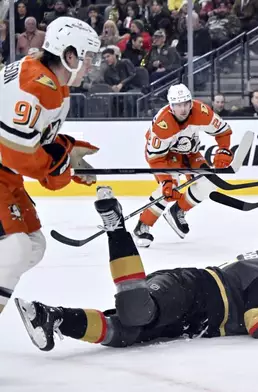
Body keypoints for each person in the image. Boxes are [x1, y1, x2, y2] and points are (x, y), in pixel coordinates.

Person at [15, 187, 258, 351]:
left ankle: (51, 317)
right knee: (136, 313)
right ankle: (117, 230)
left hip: (188, 307)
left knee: (122, 332)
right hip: (190, 294)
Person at [0, 17, 101, 316]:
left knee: (33, 245)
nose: (90, 65)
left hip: (6, 176)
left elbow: (36, 141)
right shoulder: (34, 86)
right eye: (88, 58)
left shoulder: (53, 83)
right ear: (70, 55)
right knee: (16, 248)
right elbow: (17, 154)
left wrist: (68, 149)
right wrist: (60, 170)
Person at [133, 83, 234, 247]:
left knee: (209, 182)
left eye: (186, 103)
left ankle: (178, 211)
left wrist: (223, 150)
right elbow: (155, 159)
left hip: (190, 153)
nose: (183, 109)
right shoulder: (162, 124)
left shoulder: (202, 112)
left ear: (191, 102)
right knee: (170, 188)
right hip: (165, 156)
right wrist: (165, 180)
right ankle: (142, 226)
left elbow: (223, 130)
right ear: (171, 106)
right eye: (178, 105)